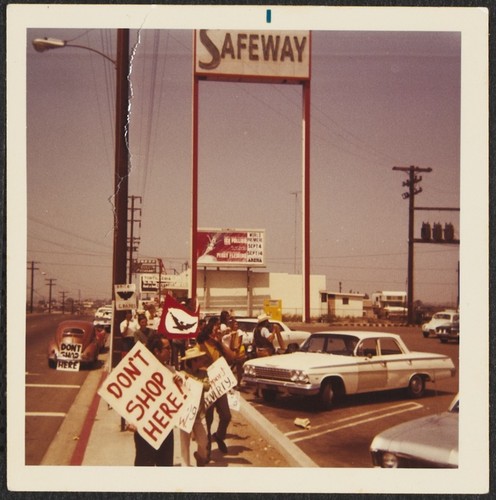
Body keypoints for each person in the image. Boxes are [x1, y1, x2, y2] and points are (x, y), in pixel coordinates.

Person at [132, 333, 175, 466]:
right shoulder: (141, 371)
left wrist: (179, 385)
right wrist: (131, 419)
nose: (171, 351)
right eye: (167, 348)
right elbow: (129, 397)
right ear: (157, 351)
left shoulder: (171, 371)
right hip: (145, 429)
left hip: (165, 429)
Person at [196, 316, 237, 457]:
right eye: (215, 328)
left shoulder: (218, 345)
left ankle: (219, 436)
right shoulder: (199, 345)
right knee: (208, 419)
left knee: (226, 415)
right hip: (207, 387)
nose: (218, 331)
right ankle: (206, 447)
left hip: (219, 387)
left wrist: (220, 342)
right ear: (209, 331)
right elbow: (193, 364)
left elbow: (232, 357)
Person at [179, 347, 210, 466]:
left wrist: (193, 381)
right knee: (184, 444)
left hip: (197, 414)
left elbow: (207, 386)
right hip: (185, 413)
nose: (202, 361)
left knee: (203, 441)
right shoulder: (182, 374)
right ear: (193, 361)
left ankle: (200, 457)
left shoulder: (203, 373)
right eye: (199, 359)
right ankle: (185, 466)